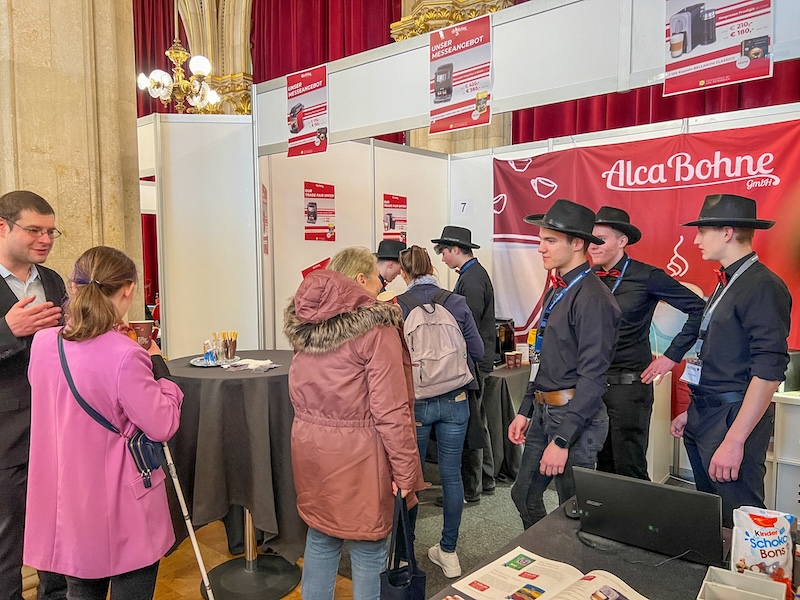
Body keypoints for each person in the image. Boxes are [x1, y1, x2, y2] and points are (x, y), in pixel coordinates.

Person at [24, 246, 183, 600]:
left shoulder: (43, 343)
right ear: (127, 290)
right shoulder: (127, 355)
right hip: (120, 501)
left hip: (68, 499)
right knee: (133, 585)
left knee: (81, 590)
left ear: (74, 287)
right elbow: (162, 424)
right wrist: (165, 377)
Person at [283, 246, 423, 600]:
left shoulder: (306, 328)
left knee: (321, 538)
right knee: (369, 547)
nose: (382, 285)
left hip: (312, 454)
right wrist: (407, 474)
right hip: (361, 458)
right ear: (360, 280)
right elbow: (392, 411)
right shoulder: (376, 329)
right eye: (377, 278)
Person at [671, 194, 790, 527]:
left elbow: (768, 372)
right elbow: (717, 354)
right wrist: (694, 410)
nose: (695, 240)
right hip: (706, 414)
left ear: (726, 232)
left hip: (731, 421)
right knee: (713, 514)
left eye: (702, 231)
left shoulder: (763, 286)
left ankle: (741, 579)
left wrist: (735, 440)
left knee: (740, 517)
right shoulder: (726, 282)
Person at [508, 199, 620, 529]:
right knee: (524, 495)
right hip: (545, 412)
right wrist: (525, 408)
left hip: (575, 418)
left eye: (550, 240)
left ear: (577, 243)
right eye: (541, 239)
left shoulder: (594, 298)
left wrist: (562, 441)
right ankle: (549, 562)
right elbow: (542, 358)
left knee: (575, 512)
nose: (540, 247)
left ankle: (574, 572)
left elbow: (594, 378)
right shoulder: (558, 290)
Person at [588, 206, 705, 480]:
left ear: (622, 241)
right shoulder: (587, 278)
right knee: (599, 465)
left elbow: (699, 309)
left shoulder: (647, 276)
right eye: (591, 240)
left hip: (629, 390)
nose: (594, 246)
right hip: (592, 385)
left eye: (601, 239)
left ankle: (636, 523)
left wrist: (671, 355)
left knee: (629, 467)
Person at [396, 245, 484, 578]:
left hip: (415, 403)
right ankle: (449, 552)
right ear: (432, 267)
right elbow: (477, 349)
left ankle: (405, 556)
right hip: (455, 400)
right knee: (450, 476)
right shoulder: (456, 302)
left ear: (405, 274)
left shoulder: (398, 306)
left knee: (412, 481)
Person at [0, 190, 67, 600]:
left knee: (59, 530)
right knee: (7, 541)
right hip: (6, 437)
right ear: (3, 227)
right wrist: (8, 329)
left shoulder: (53, 280)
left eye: (51, 231)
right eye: (34, 230)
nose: (45, 239)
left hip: (58, 427)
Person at [432, 225, 497, 502]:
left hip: (472, 362)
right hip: (478, 360)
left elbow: (464, 325)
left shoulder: (471, 281)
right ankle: (486, 479)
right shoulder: (473, 275)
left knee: (471, 425)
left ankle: (471, 488)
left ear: (456, 250)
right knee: (478, 422)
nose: (443, 258)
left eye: (444, 252)